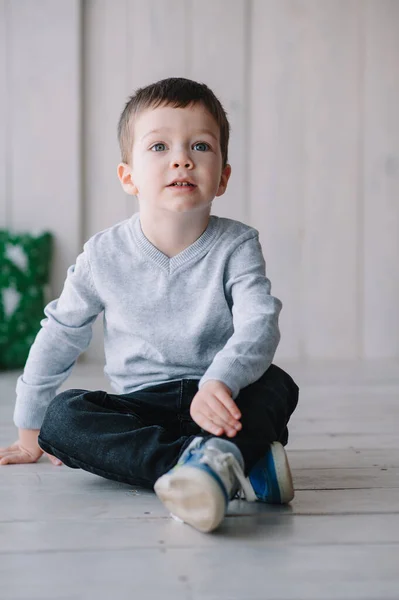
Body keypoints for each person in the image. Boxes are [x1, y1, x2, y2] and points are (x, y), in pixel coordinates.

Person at [0, 77, 299, 533]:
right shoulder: (103, 254)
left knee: (277, 385)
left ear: (222, 176)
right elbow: (61, 332)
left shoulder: (237, 244)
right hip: (141, 408)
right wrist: (29, 428)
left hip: (219, 401)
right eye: (159, 147)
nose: (181, 157)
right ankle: (215, 468)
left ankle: (218, 464)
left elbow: (258, 323)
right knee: (62, 418)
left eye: (200, 145)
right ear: (128, 176)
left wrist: (221, 380)